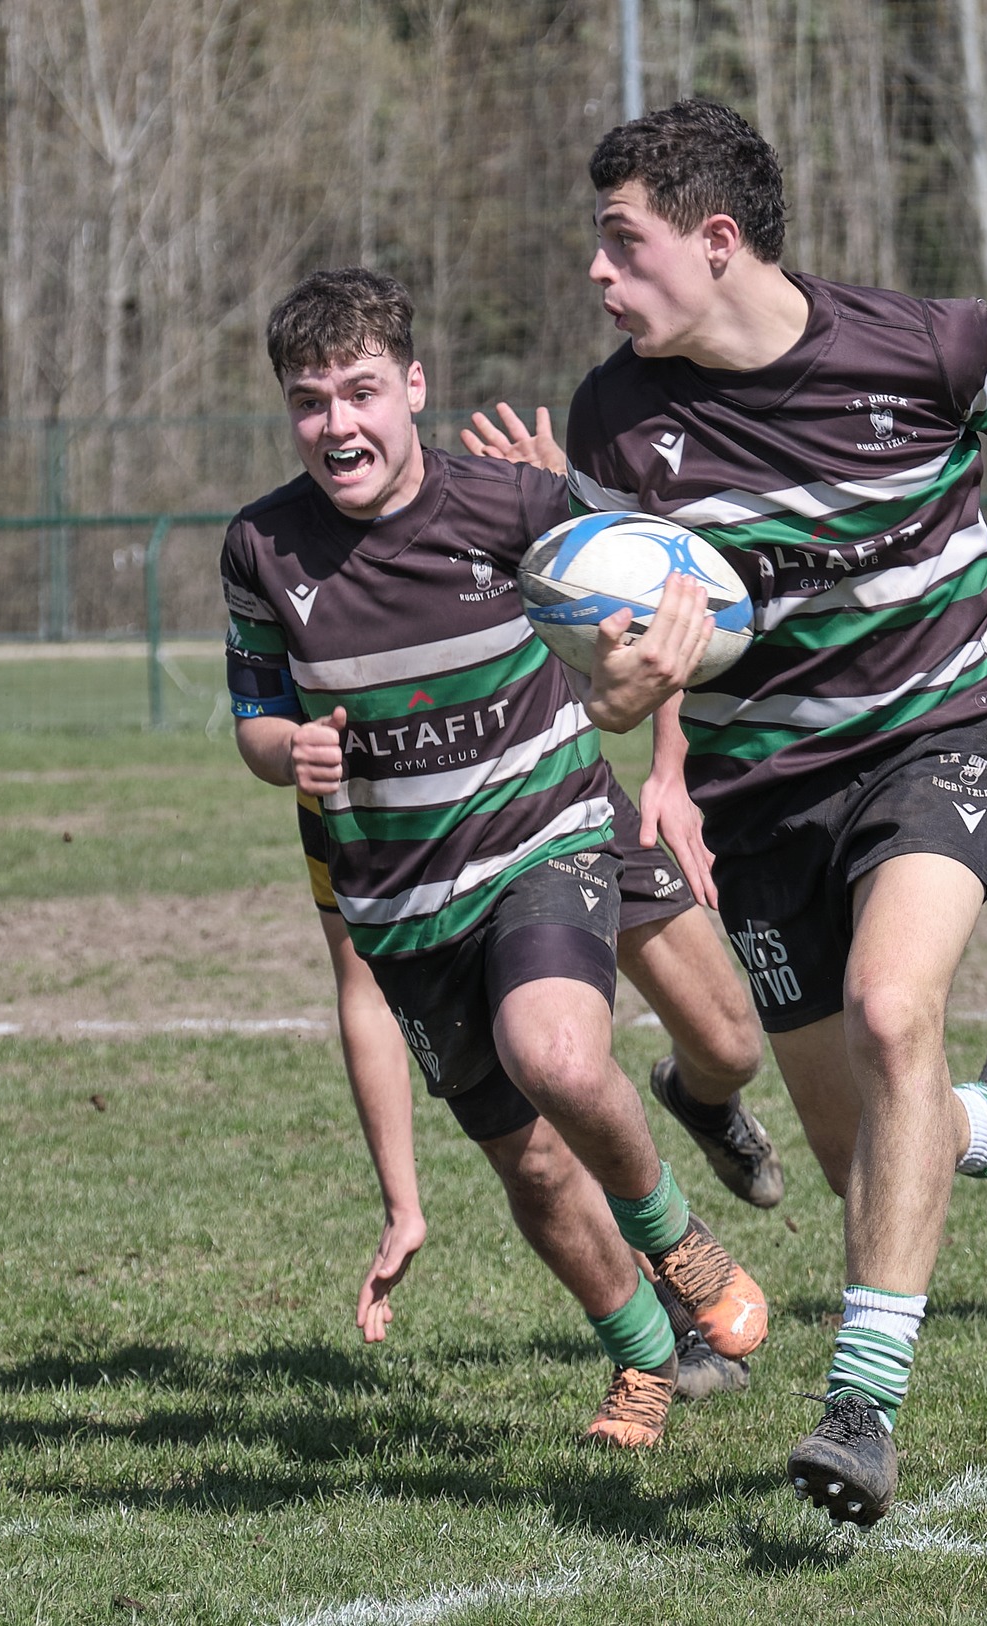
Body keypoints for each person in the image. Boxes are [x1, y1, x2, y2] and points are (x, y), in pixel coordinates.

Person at [560, 98, 987, 1525]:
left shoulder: (924, 343)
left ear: (715, 242)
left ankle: (860, 1410)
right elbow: (628, 644)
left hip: (936, 738)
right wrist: (632, 705)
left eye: (620, 243)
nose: (597, 273)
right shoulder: (620, 421)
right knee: (865, 1151)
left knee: (895, 1013)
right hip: (769, 799)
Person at [224, 265, 769, 1449]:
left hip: (547, 830)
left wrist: (665, 763)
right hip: (402, 900)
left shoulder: (509, 507)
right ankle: (644, 1361)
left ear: (413, 388)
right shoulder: (261, 548)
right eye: (310, 401)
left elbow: (659, 605)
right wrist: (289, 756)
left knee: (600, 1053)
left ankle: (675, 1236)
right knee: (527, 1169)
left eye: (361, 391)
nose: (338, 424)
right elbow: (255, 717)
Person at [291, 777, 776, 1404]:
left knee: (728, 1044)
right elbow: (363, 991)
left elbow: (644, 675)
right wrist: (401, 1202)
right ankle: (666, 1334)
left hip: (557, 797)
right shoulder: (332, 790)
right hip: (431, 870)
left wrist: (667, 762)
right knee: (547, 1126)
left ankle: (701, 1099)